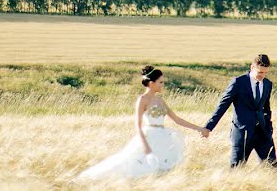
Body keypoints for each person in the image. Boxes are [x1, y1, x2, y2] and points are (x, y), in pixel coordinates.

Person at [77, 66, 208, 180]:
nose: (163, 85)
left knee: (163, 169)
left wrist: (199, 128)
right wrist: (146, 148)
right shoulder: (142, 100)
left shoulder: (160, 100)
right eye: (160, 82)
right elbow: (138, 126)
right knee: (131, 164)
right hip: (149, 137)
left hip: (163, 138)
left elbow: (177, 119)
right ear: (151, 83)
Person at [203, 54, 277, 168]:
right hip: (242, 133)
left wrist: (268, 127)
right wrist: (209, 127)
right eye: (260, 72)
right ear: (252, 67)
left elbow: (266, 108)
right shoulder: (238, 82)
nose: (263, 76)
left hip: (263, 133)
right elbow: (223, 105)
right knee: (236, 169)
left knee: (271, 168)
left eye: (266, 73)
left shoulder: (268, 84)